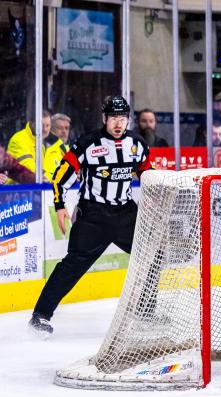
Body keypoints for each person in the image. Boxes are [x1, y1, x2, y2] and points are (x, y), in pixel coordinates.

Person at [29, 95, 152, 337]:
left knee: (152, 255)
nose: (118, 123)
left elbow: (148, 175)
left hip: (126, 213)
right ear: (104, 119)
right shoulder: (87, 144)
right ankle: (40, 315)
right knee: (72, 265)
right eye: (113, 118)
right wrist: (60, 206)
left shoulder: (138, 144)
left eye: (123, 118)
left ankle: (146, 313)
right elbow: (61, 177)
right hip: (93, 215)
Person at [6, 111, 64, 182]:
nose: (45, 129)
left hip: (45, 188)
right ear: (31, 123)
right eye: (41, 125)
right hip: (19, 188)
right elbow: (27, 166)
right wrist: (52, 178)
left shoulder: (55, 143)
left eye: (47, 125)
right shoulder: (19, 139)